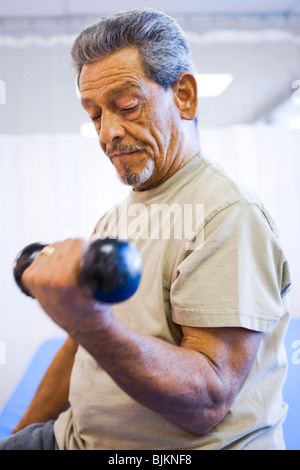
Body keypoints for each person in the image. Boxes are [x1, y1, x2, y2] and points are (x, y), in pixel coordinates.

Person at [0, 8, 291, 450]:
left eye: (127, 106)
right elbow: (80, 346)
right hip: (73, 438)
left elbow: (208, 399)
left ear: (185, 96)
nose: (107, 134)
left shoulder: (228, 212)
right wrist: (18, 438)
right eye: (95, 114)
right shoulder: (115, 218)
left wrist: (89, 322)